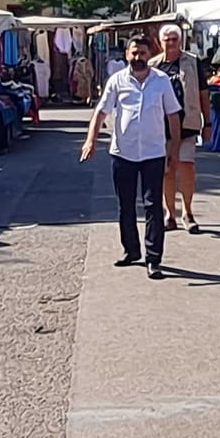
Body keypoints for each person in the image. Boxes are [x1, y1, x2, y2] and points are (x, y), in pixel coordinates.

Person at [82, 35, 181, 278]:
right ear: (127, 55)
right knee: (125, 205)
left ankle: (153, 257)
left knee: (153, 206)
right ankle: (131, 251)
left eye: (142, 54)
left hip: (153, 152)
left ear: (150, 54)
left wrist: (174, 150)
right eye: (134, 53)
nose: (138, 58)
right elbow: (101, 112)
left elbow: (173, 116)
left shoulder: (162, 81)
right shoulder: (117, 81)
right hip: (123, 152)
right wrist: (90, 140)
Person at [155, 25, 210, 233]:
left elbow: (204, 94)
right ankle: (170, 214)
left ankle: (188, 212)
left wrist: (208, 123)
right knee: (166, 171)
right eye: (167, 39)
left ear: (180, 41)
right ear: (160, 42)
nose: (171, 43)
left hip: (188, 123)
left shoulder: (192, 62)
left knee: (187, 166)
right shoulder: (154, 66)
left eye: (174, 39)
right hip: (161, 127)